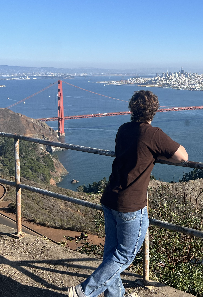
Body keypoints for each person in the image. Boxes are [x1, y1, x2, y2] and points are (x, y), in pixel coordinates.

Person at [68, 90, 188, 297]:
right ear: (154, 111)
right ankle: (83, 292)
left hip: (110, 198)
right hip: (131, 205)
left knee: (111, 253)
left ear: (132, 109)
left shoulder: (123, 129)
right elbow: (183, 157)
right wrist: (157, 154)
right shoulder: (153, 134)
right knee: (124, 256)